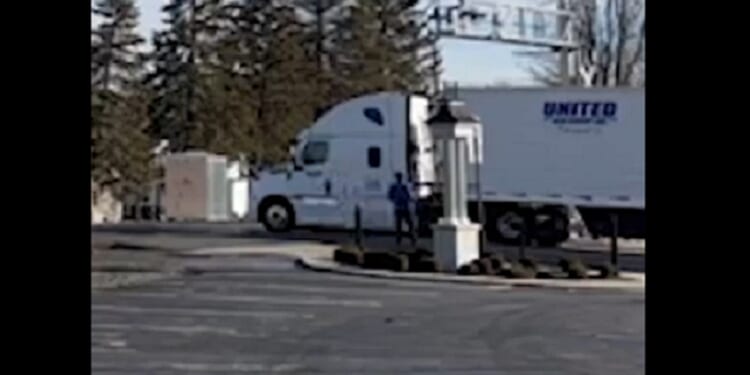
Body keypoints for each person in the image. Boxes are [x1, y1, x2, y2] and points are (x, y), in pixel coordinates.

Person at [387, 172, 416, 247]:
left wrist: (395, 200)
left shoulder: (394, 187)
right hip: (404, 208)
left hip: (399, 208)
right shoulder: (403, 186)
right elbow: (408, 196)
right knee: (409, 224)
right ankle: (411, 239)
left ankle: (400, 240)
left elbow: (390, 196)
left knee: (399, 225)